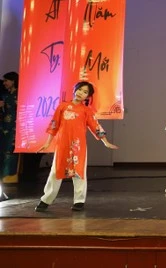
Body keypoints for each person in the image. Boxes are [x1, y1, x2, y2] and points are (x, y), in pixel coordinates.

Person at [34, 81, 119, 212]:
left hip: (78, 147)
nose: (81, 93)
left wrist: (105, 142)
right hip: (62, 145)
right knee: (56, 172)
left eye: (85, 92)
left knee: (79, 172)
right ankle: (46, 199)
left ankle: (79, 201)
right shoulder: (62, 107)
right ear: (75, 90)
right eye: (80, 90)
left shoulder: (86, 110)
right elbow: (54, 125)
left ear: (88, 97)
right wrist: (47, 143)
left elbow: (95, 126)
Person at [0, 72, 19, 184]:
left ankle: (10, 175)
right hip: (4, 127)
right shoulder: (5, 95)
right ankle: (3, 175)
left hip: (15, 127)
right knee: (3, 150)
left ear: (13, 81)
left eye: (6, 80)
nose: (4, 83)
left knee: (10, 150)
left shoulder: (20, 95)